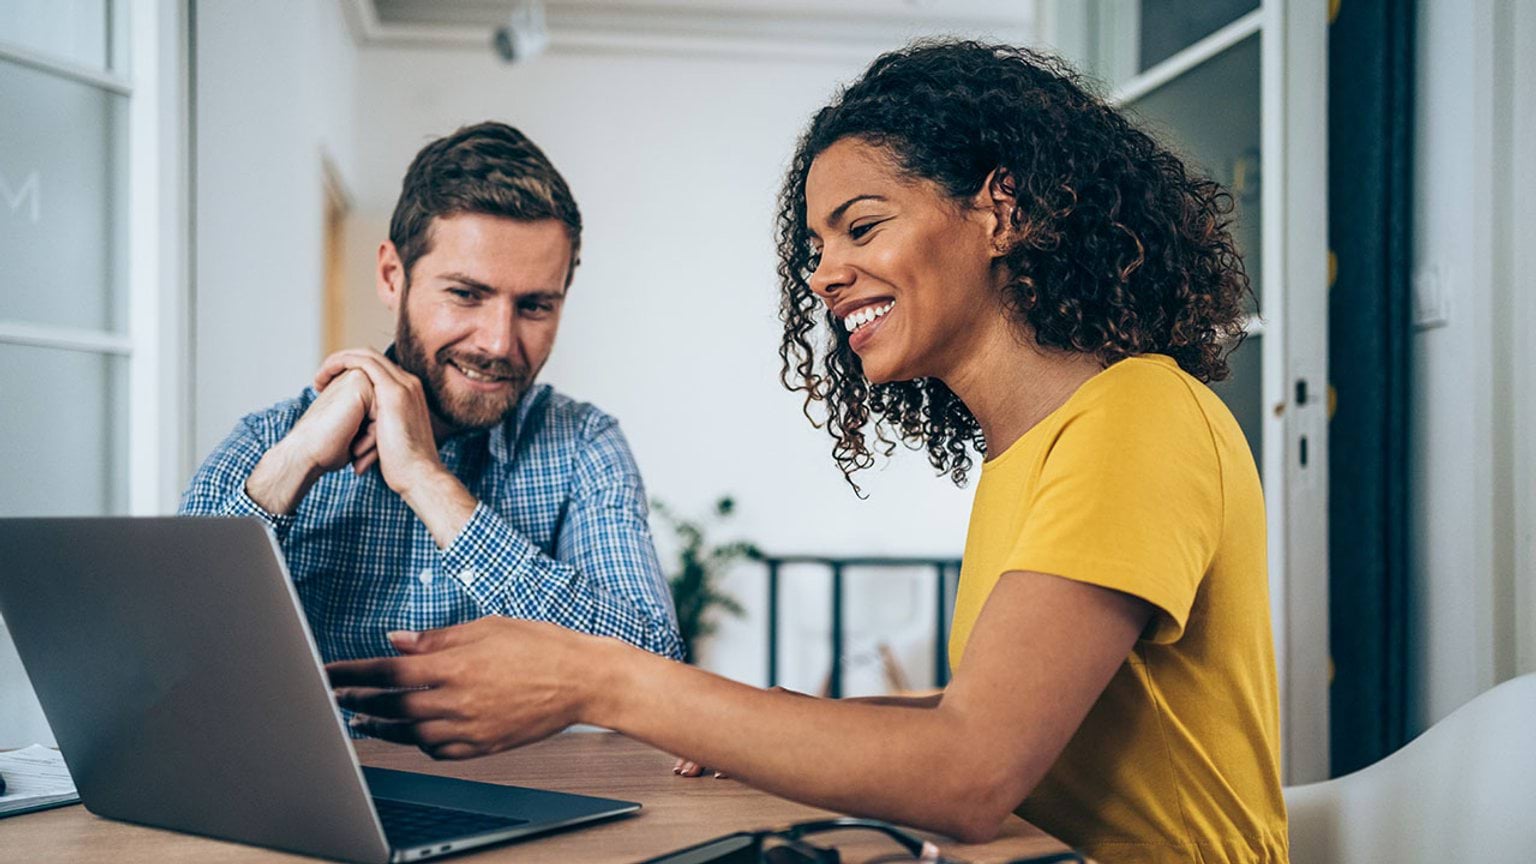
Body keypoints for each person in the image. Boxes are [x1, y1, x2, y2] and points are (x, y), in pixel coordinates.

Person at [327, 42, 1287, 861]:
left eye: (861, 226)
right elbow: (1017, 724)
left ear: (1003, 211)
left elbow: (971, 773)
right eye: (815, 248)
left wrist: (595, 676)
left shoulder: (1136, 420)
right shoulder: (1030, 452)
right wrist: (775, 722)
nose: (825, 274)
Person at [181, 122, 684, 680]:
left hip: (515, 773)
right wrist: (290, 468)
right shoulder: (268, 443)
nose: (498, 342)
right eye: (466, 295)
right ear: (393, 276)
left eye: (535, 306)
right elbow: (168, 653)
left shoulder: (584, 444)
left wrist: (426, 480)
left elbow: (656, 671)